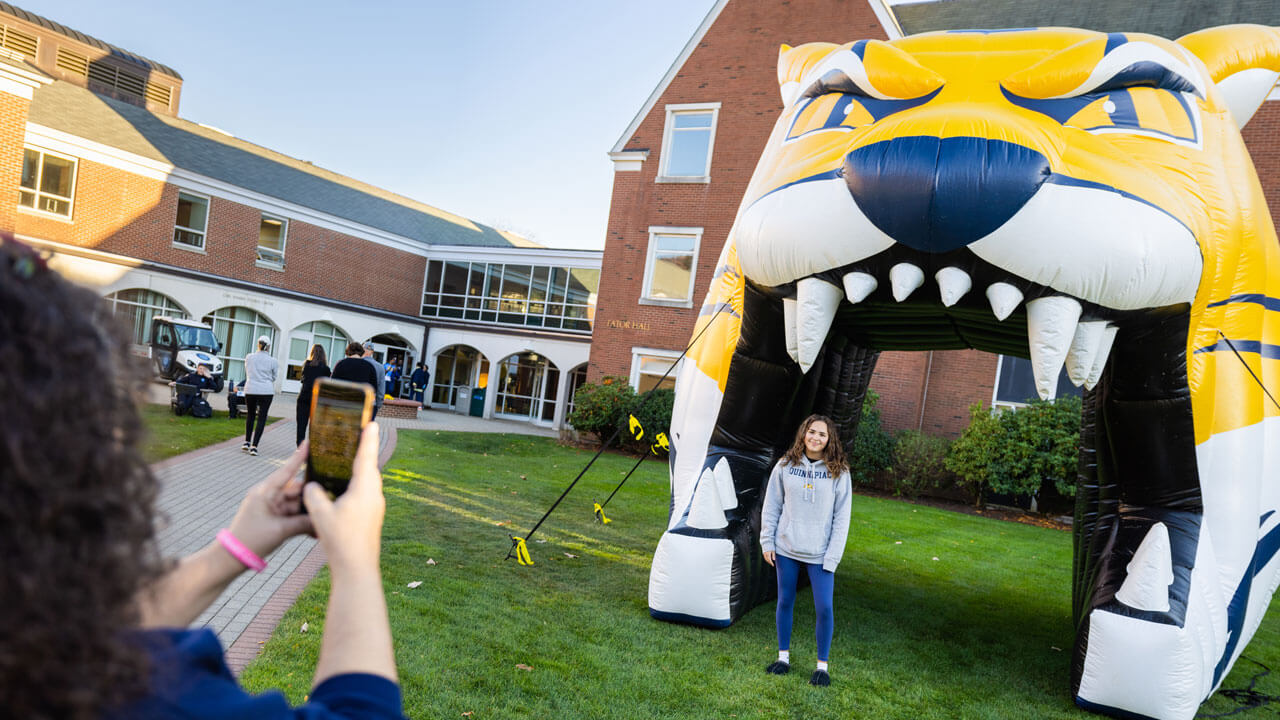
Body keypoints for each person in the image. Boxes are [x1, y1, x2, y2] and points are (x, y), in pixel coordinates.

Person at [0, 237, 404, 719]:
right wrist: (355, 560)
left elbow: (80, 641)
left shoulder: (29, 640)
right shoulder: (152, 699)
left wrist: (234, 548)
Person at [760, 414, 853, 687]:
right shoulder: (785, 465)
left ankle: (821, 666)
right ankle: (783, 658)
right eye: (811, 432)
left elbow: (842, 518)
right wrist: (768, 541)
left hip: (820, 553)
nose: (816, 438)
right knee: (785, 600)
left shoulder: (839, 472)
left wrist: (833, 555)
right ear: (803, 434)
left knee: (824, 607)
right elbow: (772, 505)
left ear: (829, 439)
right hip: (787, 546)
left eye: (822, 434)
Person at [242, 335, 278, 456]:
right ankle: (254, 446)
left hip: (250, 389)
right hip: (266, 391)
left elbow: (247, 371)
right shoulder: (273, 361)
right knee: (262, 418)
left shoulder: (249, 357)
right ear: (268, 347)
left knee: (250, 415)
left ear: (258, 344)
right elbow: (274, 377)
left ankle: (246, 441)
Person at [296, 344, 331, 446]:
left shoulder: (306, 365)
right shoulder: (326, 369)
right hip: (317, 400)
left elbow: (303, 379)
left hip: (304, 397)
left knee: (301, 425)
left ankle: (300, 447)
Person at [361, 342, 385, 420]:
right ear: (372, 352)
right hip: (371, 403)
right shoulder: (380, 367)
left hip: (357, 401)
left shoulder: (357, 362)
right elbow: (381, 388)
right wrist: (378, 404)